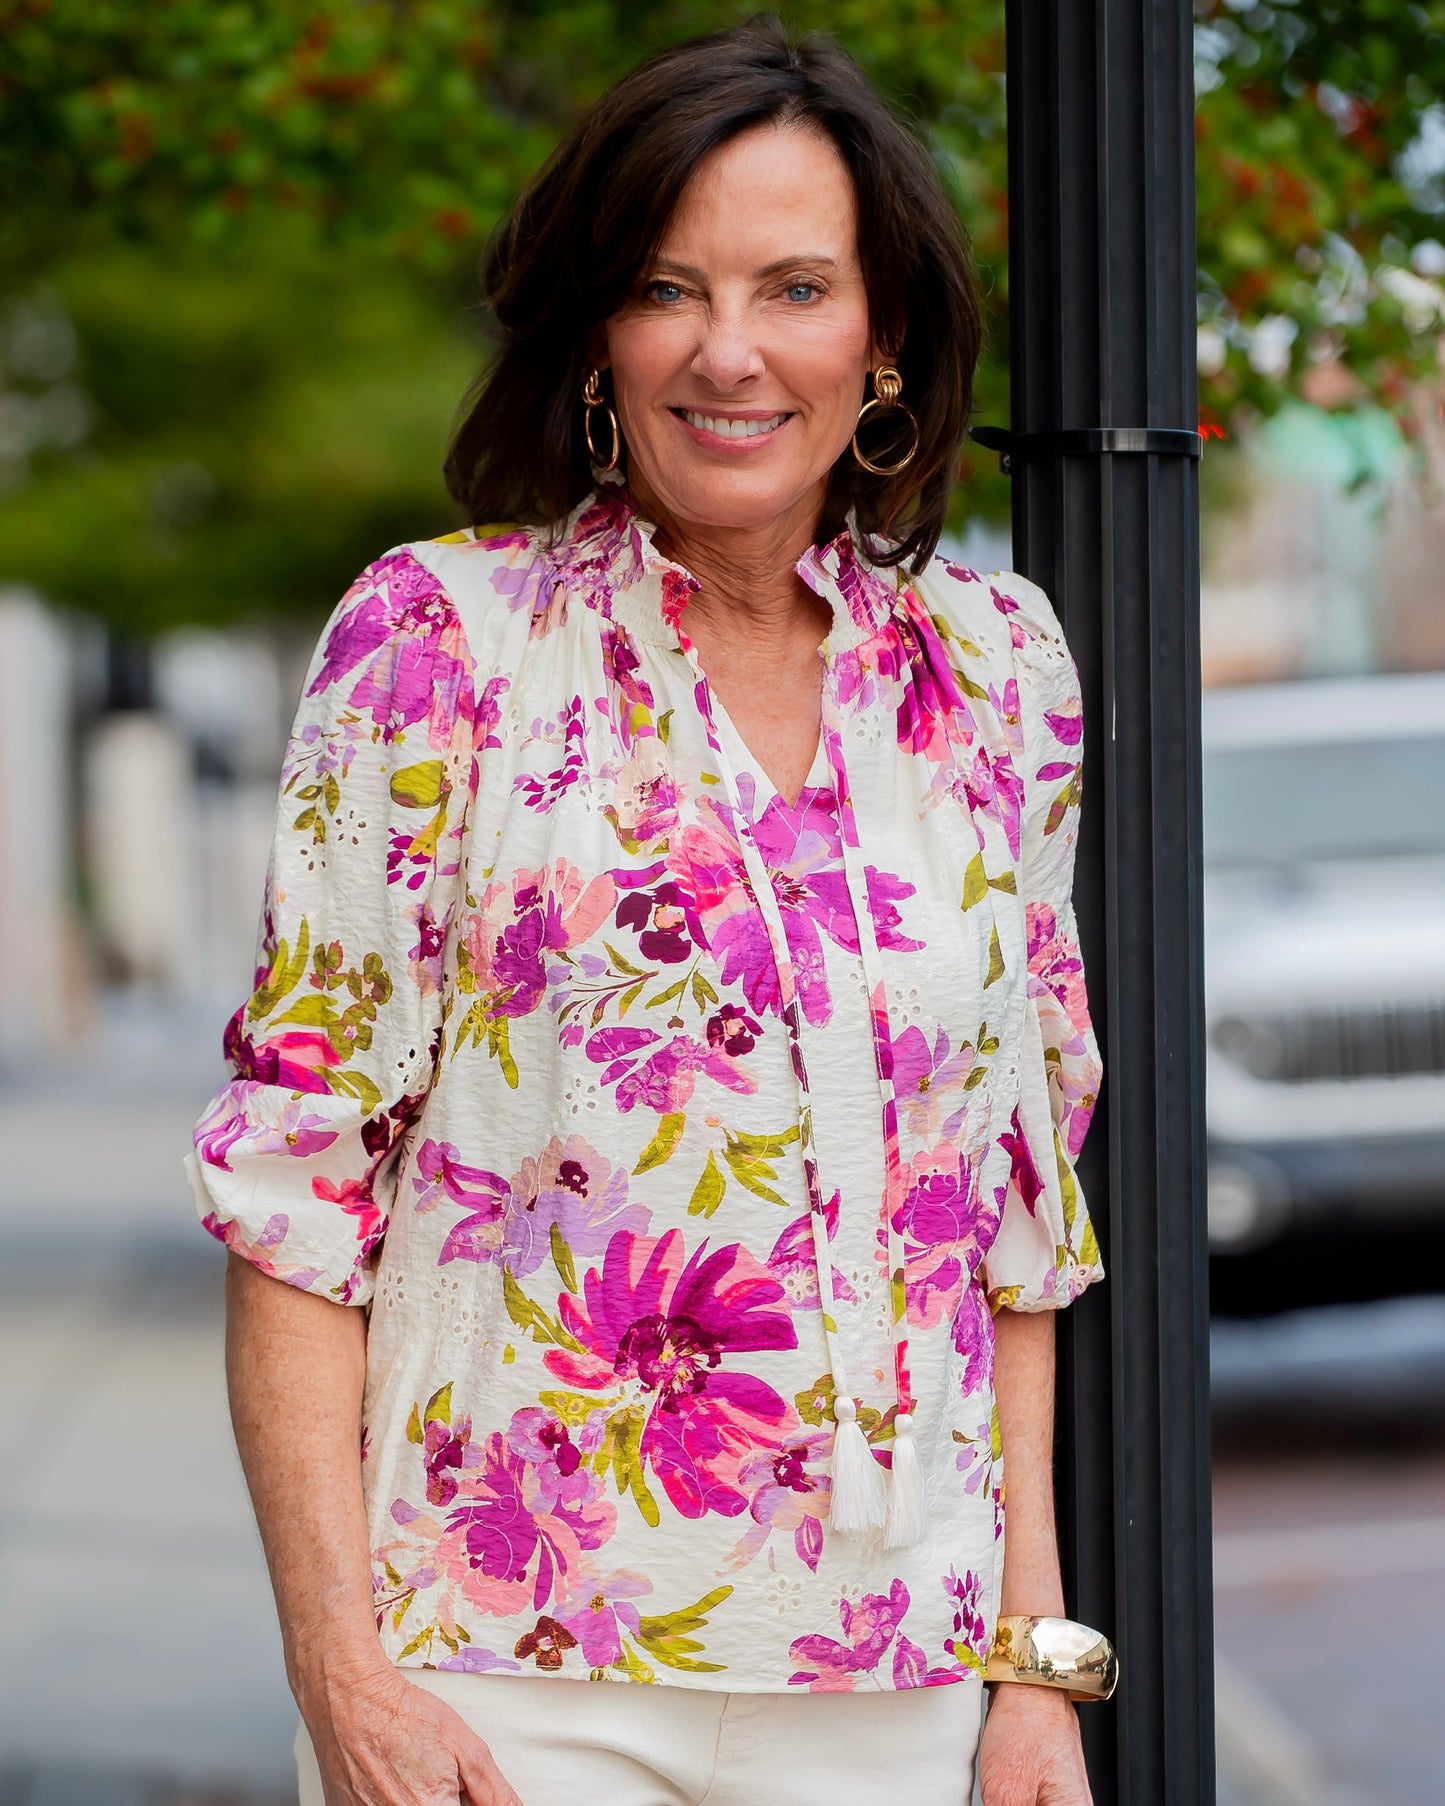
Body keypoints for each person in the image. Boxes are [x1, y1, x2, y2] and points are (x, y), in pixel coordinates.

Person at [186, 19, 1108, 1806]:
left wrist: (1032, 1670)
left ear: (884, 337)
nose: (730, 350)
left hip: (897, 1679)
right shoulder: (436, 641)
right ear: (603, 338)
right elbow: (297, 1186)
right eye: (670, 288)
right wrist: (339, 1674)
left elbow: (1010, 1200)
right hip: (500, 1681)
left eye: (794, 286)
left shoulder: (999, 674)